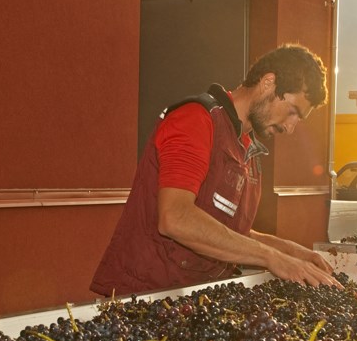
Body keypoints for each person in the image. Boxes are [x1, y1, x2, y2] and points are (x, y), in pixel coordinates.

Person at [91, 43, 342, 297]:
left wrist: (293, 252)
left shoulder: (248, 150)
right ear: (268, 83)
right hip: (145, 300)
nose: (290, 128)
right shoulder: (195, 120)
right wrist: (271, 257)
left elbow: (231, 234)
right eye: (292, 112)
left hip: (193, 302)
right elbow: (175, 218)